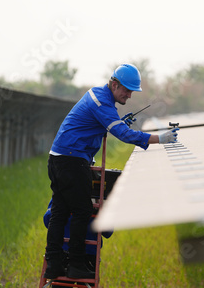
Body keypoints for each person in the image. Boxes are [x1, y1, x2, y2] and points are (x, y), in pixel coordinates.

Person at [44, 63, 179, 279]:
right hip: (72, 161)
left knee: (60, 211)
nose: (129, 96)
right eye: (126, 90)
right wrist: (158, 139)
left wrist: (116, 122)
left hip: (58, 158)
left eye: (132, 91)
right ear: (114, 85)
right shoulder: (102, 103)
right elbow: (124, 135)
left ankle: (54, 264)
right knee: (81, 211)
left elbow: (97, 125)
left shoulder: (99, 97)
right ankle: (76, 264)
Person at [43, 199, 113, 273]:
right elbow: (108, 232)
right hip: (89, 254)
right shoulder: (102, 196)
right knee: (87, 283)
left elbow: (48, 220)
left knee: (61, 283)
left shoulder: (62, 190)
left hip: (62, 250)